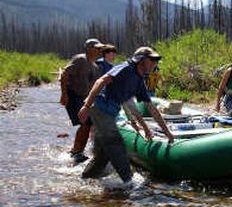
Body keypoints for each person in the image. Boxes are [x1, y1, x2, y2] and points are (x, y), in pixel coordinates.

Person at [77, 46, 174, 185]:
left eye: (156, 60)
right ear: (142, 60)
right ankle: (129, 183)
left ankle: (86, 178)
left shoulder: (139, 81)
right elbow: (101, 81)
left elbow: (151, 108)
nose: (155, 63)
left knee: (104, 155)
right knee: (116, 145)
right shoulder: (125, 68)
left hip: (109, 113)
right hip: (100, 108)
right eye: (152, 60)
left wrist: (167, 132)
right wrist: (86, 105)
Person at [59, 38, 105, 164]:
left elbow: (93, 88)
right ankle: (76, 152)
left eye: (101, 48)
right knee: (85, 122)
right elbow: (64, 74)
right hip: (72, 95)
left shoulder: (95, 67)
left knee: (89, 123)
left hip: (84, 98)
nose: (100, 51)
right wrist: (64, 94)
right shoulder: (80, 59)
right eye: (98, 48)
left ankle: (78, 151)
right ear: (89, 49)